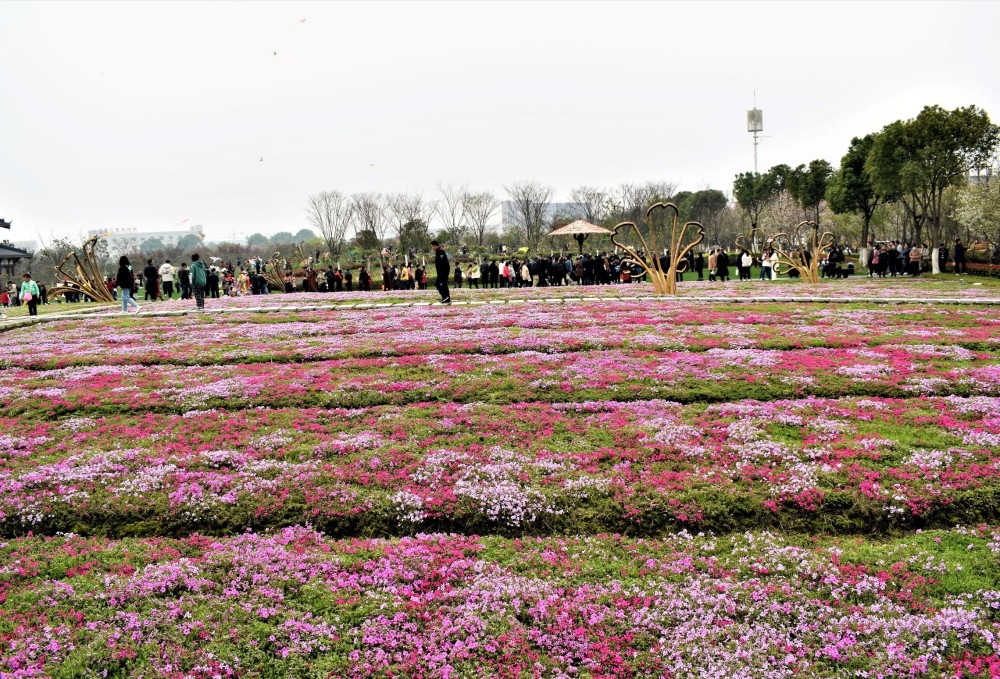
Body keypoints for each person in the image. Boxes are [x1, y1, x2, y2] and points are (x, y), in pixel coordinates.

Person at [431, 240, 450, 304]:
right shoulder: (438, 251)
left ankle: (445, 296)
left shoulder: (440, 252)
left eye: (432, 246)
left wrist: (442, 272)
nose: (432, 248)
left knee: (437, 284)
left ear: (434, 245)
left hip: (443, 272)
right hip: (441, 272)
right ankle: (447, 298)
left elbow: (444, 263)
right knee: (444, 284)